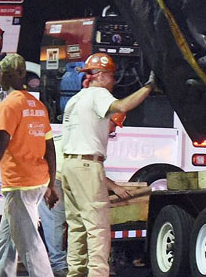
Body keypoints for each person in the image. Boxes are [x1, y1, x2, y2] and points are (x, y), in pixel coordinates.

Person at [60, 53, 157, 277]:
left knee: (77, 227)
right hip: (87, 165)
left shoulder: (76, 100)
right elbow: (122, 106)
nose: (114, 81)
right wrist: (149, 87)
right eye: (112, 76)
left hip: (69, 166)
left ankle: (76, 273)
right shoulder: (98, 94)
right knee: (98, 228)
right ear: (101, 75)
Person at [0, 53, 58, 277]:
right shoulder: (36, 105)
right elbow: (50, 147)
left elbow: (0, 144)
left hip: (20, 185)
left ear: (4, 74)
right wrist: (51, 184)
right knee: (6, 241)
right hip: (37, 181)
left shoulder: (9, 105)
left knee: (30, 245)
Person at [38, 128, 67, 277]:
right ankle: (59, 265)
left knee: (55, 222)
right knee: (55, 221)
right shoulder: (82, 138)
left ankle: (58, 263)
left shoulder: (70, 134)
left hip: (52, 177)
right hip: (53, 178)